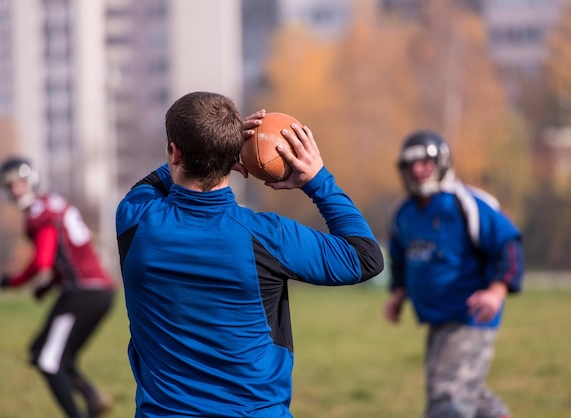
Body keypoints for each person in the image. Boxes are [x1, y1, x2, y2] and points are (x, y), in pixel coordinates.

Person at [115, 91, 384, 417]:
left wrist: (214, 144)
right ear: (233, 154)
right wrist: (317, 180)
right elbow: (366, 257)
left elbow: (149, 183)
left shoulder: (134, 219)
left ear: (173, 152)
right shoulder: (268, 236)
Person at [383, 130, 525, 418]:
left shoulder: (465, 203)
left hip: (469, 316)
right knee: (466, 391)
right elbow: (401, 258)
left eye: (425, 162)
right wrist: (399, 294)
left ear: (443, 163)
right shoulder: (403, 212)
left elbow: (508, 244)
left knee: (447, 396)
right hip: (438, 318)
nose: (417, 170)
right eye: (410, 164)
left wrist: (496, 292)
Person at [0, 157, 117, 418]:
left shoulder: (40, 213)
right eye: (11, 185)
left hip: (83, 292)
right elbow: (64, 259)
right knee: (50, 351)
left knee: (48, 360)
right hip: (95, 291)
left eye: (20, 182)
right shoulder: (51, 204)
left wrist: (13, 281)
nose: (16, 189)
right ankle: (91, 396)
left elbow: (43, 261)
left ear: (32, 181)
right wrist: (47, 287)